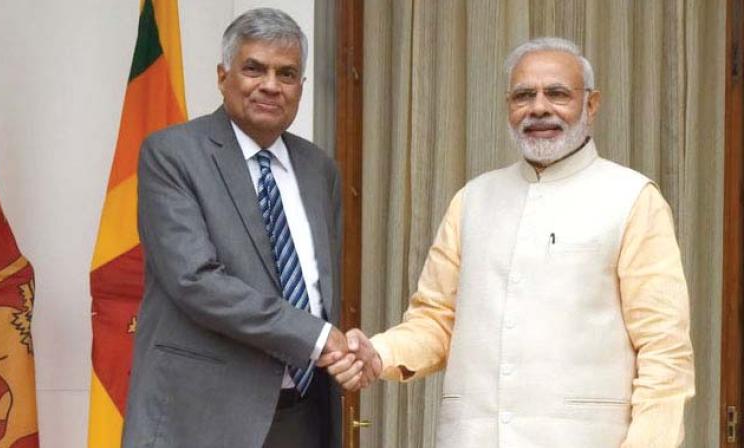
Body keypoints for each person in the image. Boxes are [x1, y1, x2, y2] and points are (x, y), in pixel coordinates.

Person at [327, 37, 695, 447]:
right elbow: (435, 319)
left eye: (557, 93)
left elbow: (665, 352)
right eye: (524, 95)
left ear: (591, 105)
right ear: (508, 107)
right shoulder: (474, 199)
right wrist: (379, 354)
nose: (539, 107)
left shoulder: (631, 198)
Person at [122, 8, 348, 448]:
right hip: (203, 417)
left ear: (301, 88)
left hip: (303, 416)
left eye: (286, 74)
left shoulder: (319, 169)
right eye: (254, 69)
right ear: (223, 75)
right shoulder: (173, 155)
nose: (270, 85)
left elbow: (320, 289)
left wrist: (342, 349)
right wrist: (316, 337)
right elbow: (196, 281)